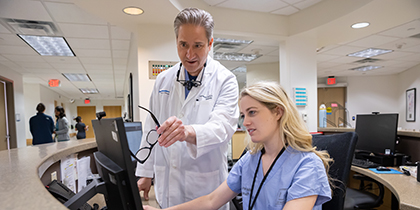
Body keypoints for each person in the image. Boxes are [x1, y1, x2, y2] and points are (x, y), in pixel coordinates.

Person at [143, 81, 333, 210]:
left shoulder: (307, 166)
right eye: (243, 115)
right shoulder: (250, 160)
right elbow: (211, 201)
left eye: (252, 112)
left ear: (278, 112)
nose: (245, 122)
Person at [135, 7, 239, 209]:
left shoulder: (225, 80)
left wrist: (188, 132)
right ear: (176, 42)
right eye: (183, 44)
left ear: (210, 44)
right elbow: (151, 127)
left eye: (198, 45)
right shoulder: (164, 79)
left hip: (205, 189)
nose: (189, 54)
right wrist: (146, 173)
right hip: (167, 187)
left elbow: (223, 127)